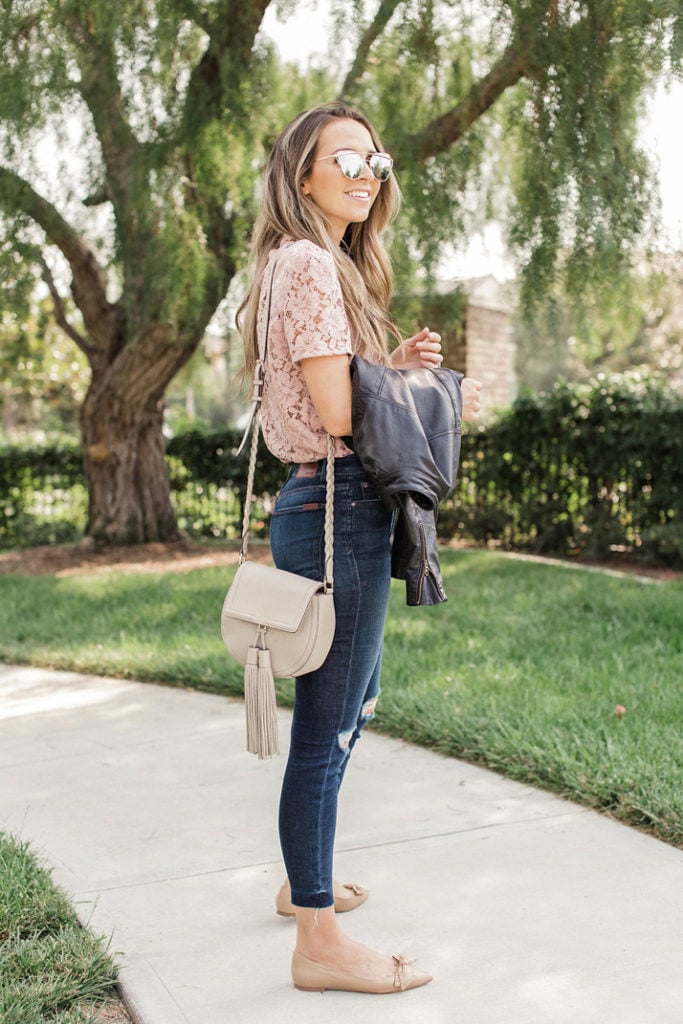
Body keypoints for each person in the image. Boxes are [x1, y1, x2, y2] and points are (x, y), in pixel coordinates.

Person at [237, 101, 482, 995]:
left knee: (350, 703)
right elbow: (339, 415)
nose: (365, 171)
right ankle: (317, 939)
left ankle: (303, 881)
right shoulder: (307, 262)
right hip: (337, 508)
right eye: (344, 157)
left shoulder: (318, 265)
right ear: (302, 174)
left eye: (374, 159)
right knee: (329, 722)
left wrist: (392, 362)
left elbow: (339, 389)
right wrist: (407, 384)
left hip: (336, 506)